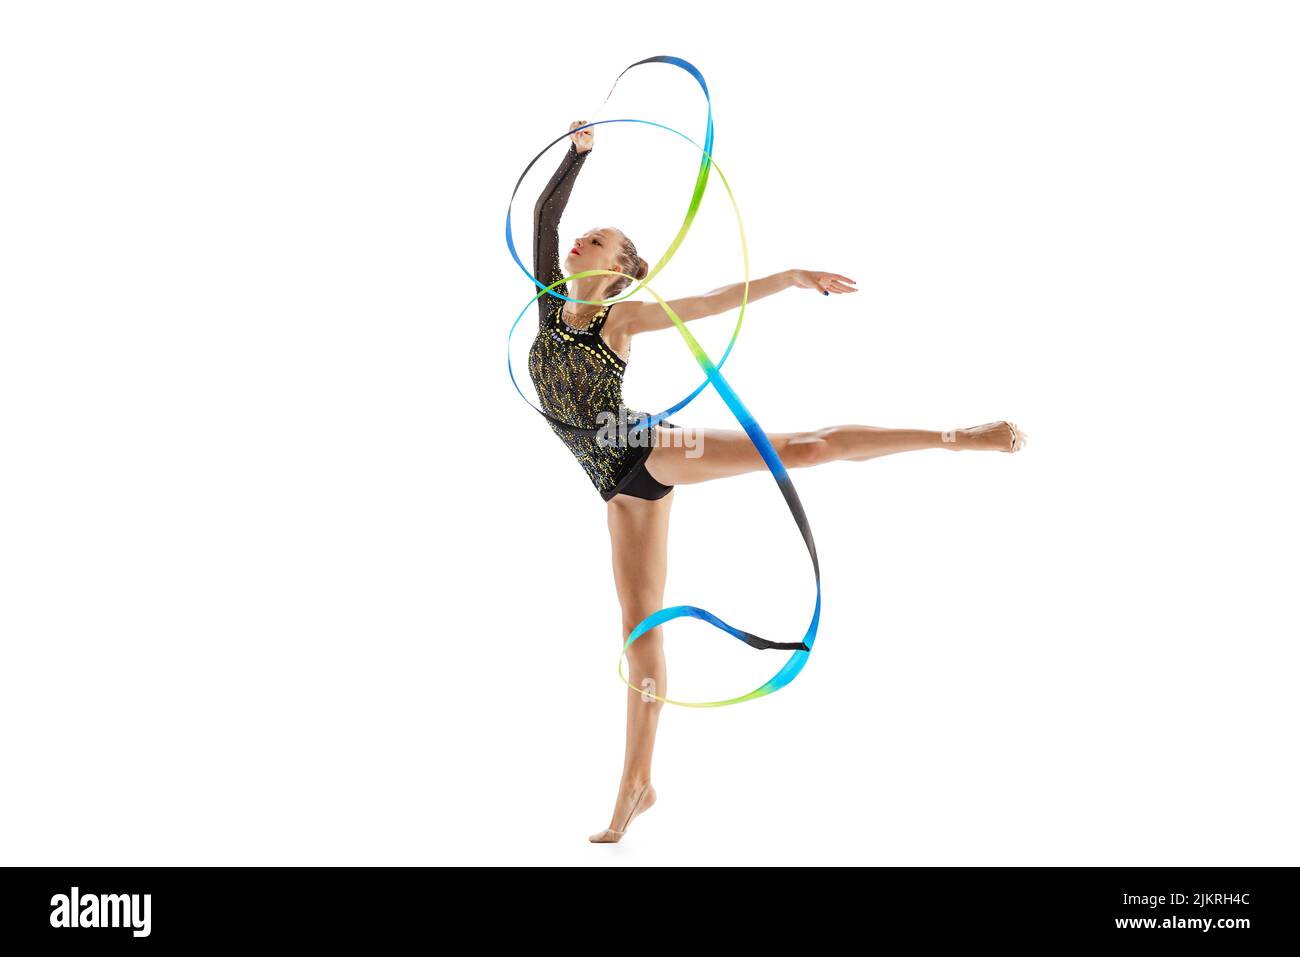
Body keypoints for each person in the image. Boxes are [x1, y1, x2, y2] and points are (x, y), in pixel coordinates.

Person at [528, 119, 1027, 843]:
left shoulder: (622, 319)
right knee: (640, 634)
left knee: (802, 448)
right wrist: (576, 157)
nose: (577, 242)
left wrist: (790, 277)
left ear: (622, 266)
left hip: (641, 445)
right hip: (611, 483)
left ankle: (956, 436)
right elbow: (544, 216)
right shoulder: (547, 301)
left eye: (596, 239)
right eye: (582, 237)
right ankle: (638, 784)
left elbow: (709, 304)